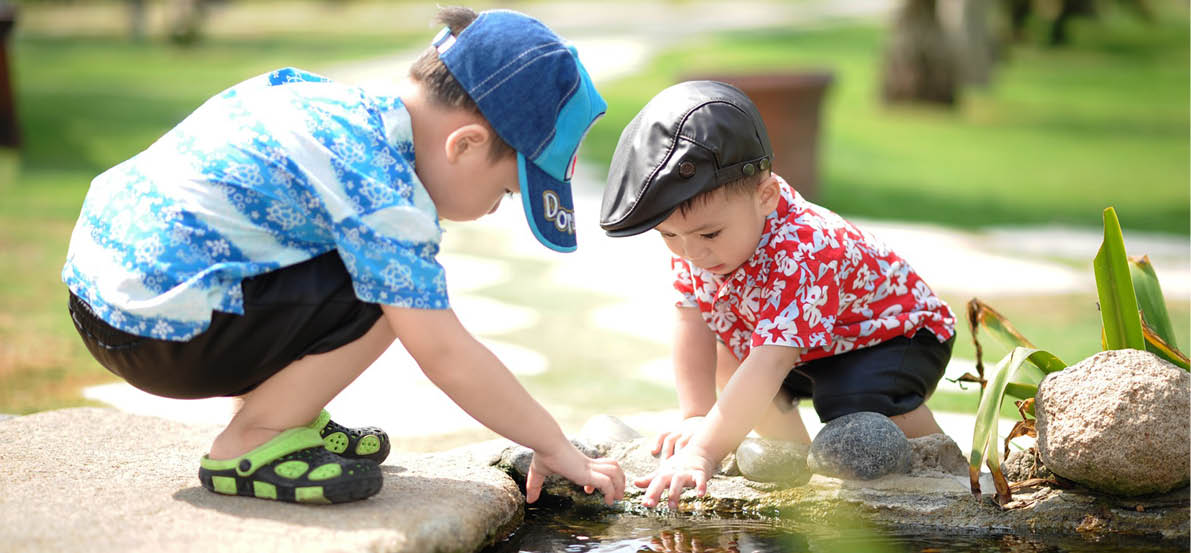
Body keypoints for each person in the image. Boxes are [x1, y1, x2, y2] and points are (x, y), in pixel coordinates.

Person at [62, 7, 624, 506]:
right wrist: (552, 444)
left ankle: (286, 416)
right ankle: (252, 441)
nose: (491, 210)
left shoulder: (331, 105)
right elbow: (444, 353)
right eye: (505, 193)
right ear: (466, 145)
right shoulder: (383, 192)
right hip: (158, 333)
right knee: (396, 295)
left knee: (363, 264)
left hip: (104, 296)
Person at [599, 81, 956, 509]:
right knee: (730, 355)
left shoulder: (805, 248)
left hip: (895, 337)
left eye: (709, 233)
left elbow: (772, 361)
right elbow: (691, 320)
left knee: (849, 400)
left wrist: (703, 451)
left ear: (765, 196)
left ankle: (941, 465)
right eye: (669, 235)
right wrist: (697, 415)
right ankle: (792, 467)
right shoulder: (698, 244)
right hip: (807, 346)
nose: (692, 252)